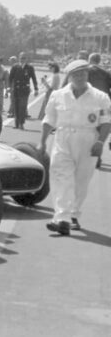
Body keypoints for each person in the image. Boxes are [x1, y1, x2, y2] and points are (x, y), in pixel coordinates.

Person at [40, 59, 111, 235]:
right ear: (70, 76)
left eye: (83, 74)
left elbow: (106, 121)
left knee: (81, 180)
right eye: (76, 74)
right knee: (61, 177)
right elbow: (49, 120)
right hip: (63, 138)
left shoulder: (100, 97)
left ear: (87, 75)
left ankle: (73, 214)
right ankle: (62, 219)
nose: (80, 77)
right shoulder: (58, 95)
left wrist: (100, 142)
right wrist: (41, 142)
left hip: (88, 140)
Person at [8, 52, 38, 129]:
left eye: (24, 58)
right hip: (16, 89)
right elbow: (10, 78)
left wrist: (36, 89)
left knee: (23, 107)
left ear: (26, 59)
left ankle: (21, 123)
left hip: (25, 90)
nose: (22, 60)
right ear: (19, 58)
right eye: (21, 58)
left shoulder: (30, 68)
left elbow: (34, 78)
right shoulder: (15, 67)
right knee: (16, 107)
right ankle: (17, 124)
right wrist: (8, 87)